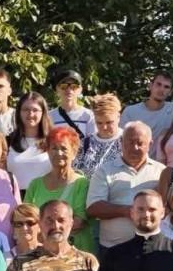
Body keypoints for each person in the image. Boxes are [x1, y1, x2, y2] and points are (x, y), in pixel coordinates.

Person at [86, 121, 165, 256]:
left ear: (150, 144)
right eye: (130, 142)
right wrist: (128, 211)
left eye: (140, 143)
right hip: (112, 249)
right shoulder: (105, 171)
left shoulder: (161, 172)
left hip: (151, 248)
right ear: (121, 142)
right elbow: (93, 207)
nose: (134, 147)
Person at [23, 125, 93, 254]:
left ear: (74, 152)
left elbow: (78, 221)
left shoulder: (82, 183)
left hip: (75, 254)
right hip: (42, 253)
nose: (58, 153)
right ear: (47, 151)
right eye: (54, 148)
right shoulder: (35, 185)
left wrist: (45, 233)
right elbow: (27, 218)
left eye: (64, 148)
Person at [6, 92, 54, 192]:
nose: (30, 114)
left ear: (43, 113)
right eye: (25, 110)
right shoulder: (7, 141)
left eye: (35, 110)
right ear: (19, 112)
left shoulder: (53, 141)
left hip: (46, 198)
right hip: (16, 199)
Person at [122, 71, 173, 158]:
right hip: (134, 163)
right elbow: (121, 142)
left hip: (163, 166)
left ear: (170, 92)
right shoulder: (131, 112)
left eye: (166, 87)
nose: (161, 89)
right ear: (150, 86)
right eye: (158, 84)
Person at [75, 93, 125, 177]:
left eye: (109, 122)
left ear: (118, 117)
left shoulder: (128, 141)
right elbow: (75, 173)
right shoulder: (85, 143)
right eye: (99, 123)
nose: (104, 127)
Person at [49, 68, 96, 150]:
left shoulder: (89, 116)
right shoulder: (49, 116)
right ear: (57, 89)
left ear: (80, 89)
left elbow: (93, 145)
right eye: (64, 86)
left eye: (74, 87)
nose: (69, 90)